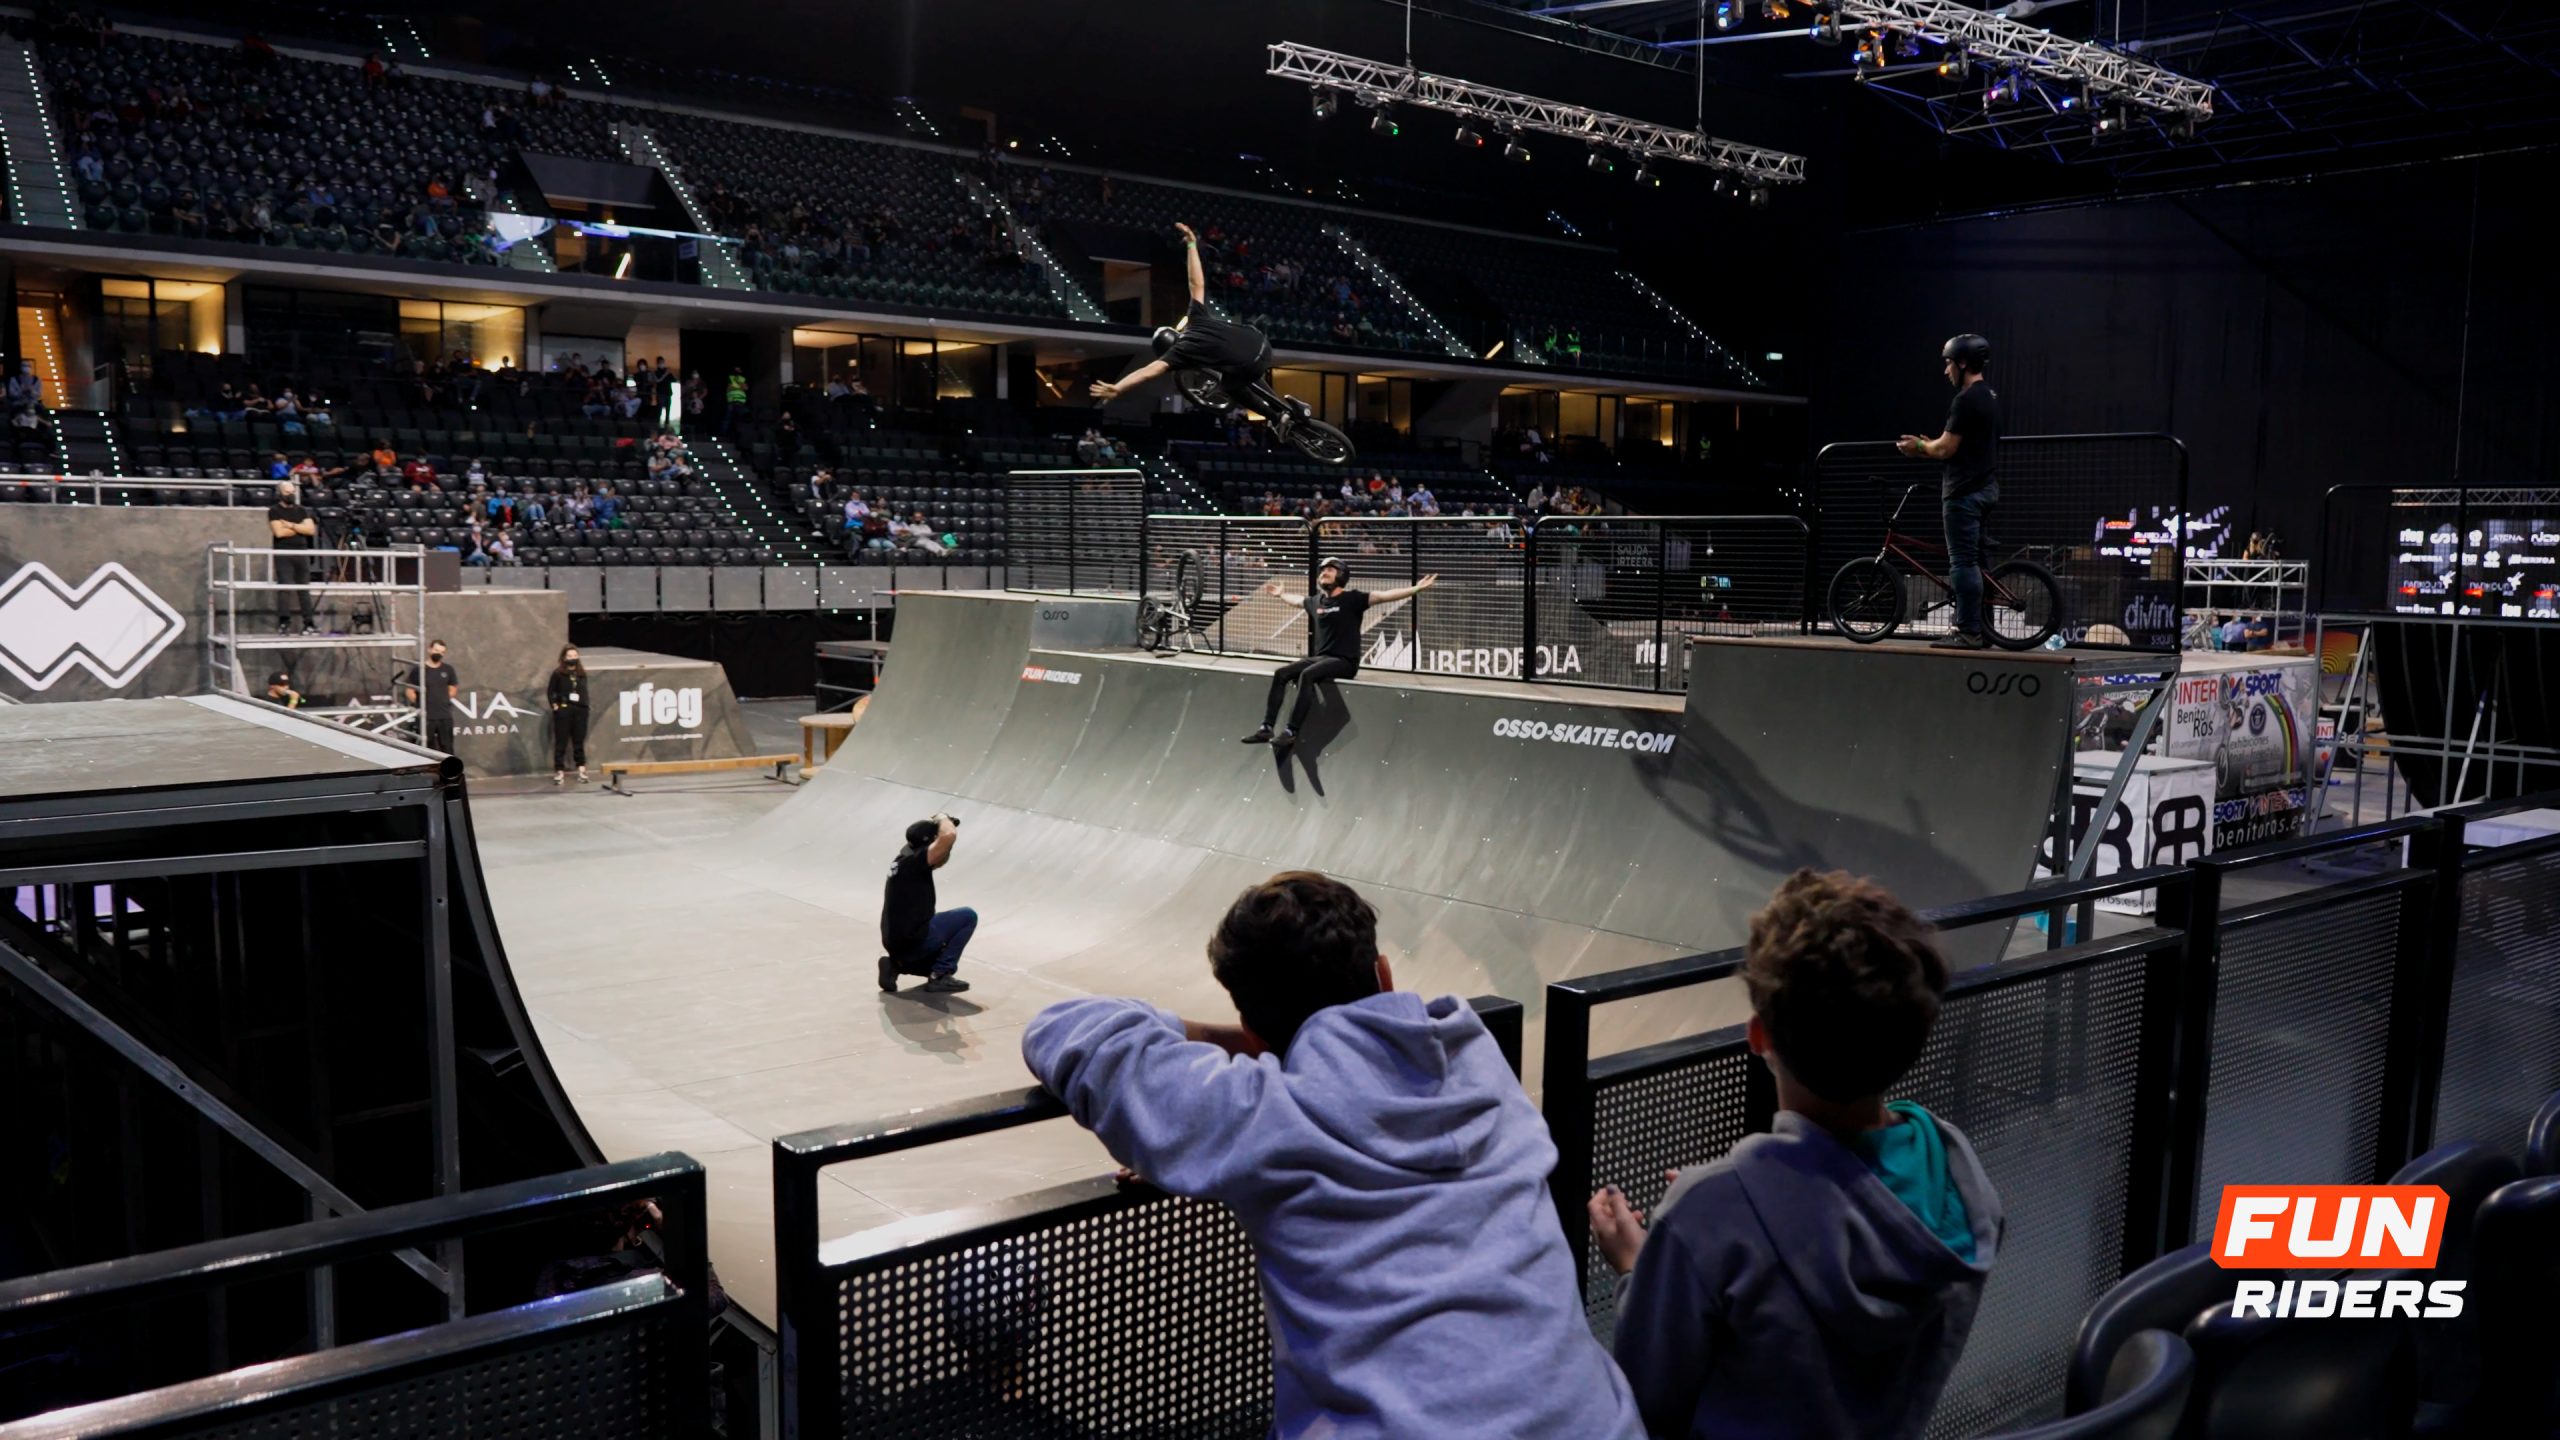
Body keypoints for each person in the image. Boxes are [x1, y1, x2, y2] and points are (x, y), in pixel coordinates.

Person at [1021, 871, 1646, 1440]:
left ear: (1259, 1031)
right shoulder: (1475, 1061)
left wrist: (1231, 1041)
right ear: (1384, 977)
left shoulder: (1266, 1117)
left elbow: (1064, 1030)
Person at [1588, 869, 2002, 1440]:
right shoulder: (1959, 1176)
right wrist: (1736, 1204)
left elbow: (1647, 1401)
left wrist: (1649, 1263)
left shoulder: (1709, 1215)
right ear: (1917, 1033)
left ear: (1758, 1037)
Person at [1243, 558, 1437, 751]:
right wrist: (1281, 594)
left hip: (1344, 661)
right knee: (1281, 673)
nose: (1324, 573)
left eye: (1329, 570)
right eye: (1322, 571)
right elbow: (1297, 601)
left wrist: (1415, 589)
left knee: (1307, 674)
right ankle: (1266, 728)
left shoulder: (1353, 599)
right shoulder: (1316, 602)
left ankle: (1291, 732)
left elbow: (1384, 596)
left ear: (1341, 575)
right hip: (1322, 658)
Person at [1088, 223, 1278, 415]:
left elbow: (1146, 372)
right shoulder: (1196, 317)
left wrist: (1119, 387)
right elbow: (1196, 282)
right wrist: (1191, 246)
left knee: (1232, 385)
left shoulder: (1179, 354)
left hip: (1251, 365)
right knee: (1243, 360)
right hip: (1261, 343)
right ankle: (1283, 406)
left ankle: (1275, 417)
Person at [1898, 334, 2002, 651]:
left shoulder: (1965, 400)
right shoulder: (1990, 396)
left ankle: (1968, 631)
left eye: (1948, 363)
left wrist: (1918, 447)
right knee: (1980, 564)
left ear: (1962, 363)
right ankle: (1985, 629)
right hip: (1986, 487)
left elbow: (1945, 448)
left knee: (1962, 564)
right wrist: (1934, 445)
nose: (1946, 372)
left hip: (1964, 492)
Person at [879, 815, 973, 995]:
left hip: (896, 942)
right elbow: (949, 836)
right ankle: (939, 975)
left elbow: (940, 856)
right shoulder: (916, 863)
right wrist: (943, 819)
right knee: (967, 916)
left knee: (937, 943)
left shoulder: (904, 860)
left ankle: (895, 964)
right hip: (913, 941)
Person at [266, 480, 319, 634]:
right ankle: (284, 622)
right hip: (283, 552)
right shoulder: (274, 511)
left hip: (301, 551)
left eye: (292, 492)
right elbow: (279, 533)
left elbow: (310, 530)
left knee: (304, 588)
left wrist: (290, 525)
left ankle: (309, 623)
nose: (291, 494)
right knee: (285, 587)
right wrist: (299, 528)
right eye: (287, 492)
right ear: (280, 494)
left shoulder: (302, 510)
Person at [547, 645, 591, 785]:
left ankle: (582, 770)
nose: (572, 658)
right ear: (564, 658)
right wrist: (555, 705)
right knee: (561, 741)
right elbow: (551, 691)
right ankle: (559, 771)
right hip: (564, 710)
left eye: (574, 656)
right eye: (569, 656)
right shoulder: (558, 673)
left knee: (579, 741)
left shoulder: (581, 673)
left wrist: (585, 706)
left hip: (580, 710)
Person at [405, 640, 459, 753]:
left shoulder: (448, 669)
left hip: (445, 716)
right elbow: (410, 691)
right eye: (436, 650)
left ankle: (450, 770)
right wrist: (422, 703)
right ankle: (427, 771)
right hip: (426, 717)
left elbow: (453, 689)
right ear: (429, 649)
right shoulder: (418, 670)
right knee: (426, 749)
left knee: (447, 748)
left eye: (442, 652)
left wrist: (441, 699)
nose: (438, 653)